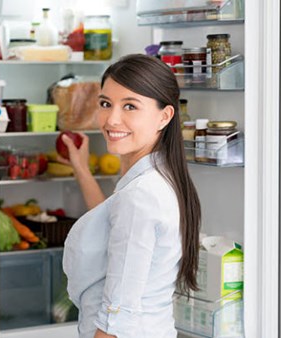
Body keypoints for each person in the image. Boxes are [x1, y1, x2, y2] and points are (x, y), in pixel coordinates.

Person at [61, 54, 201, 338]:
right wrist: (82, 169)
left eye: (130, 106)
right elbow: (110, 223)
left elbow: (118, 316)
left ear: (164, 116)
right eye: (105, 104)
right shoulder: (156, 178)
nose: (112, 119)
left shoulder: (140, 196)